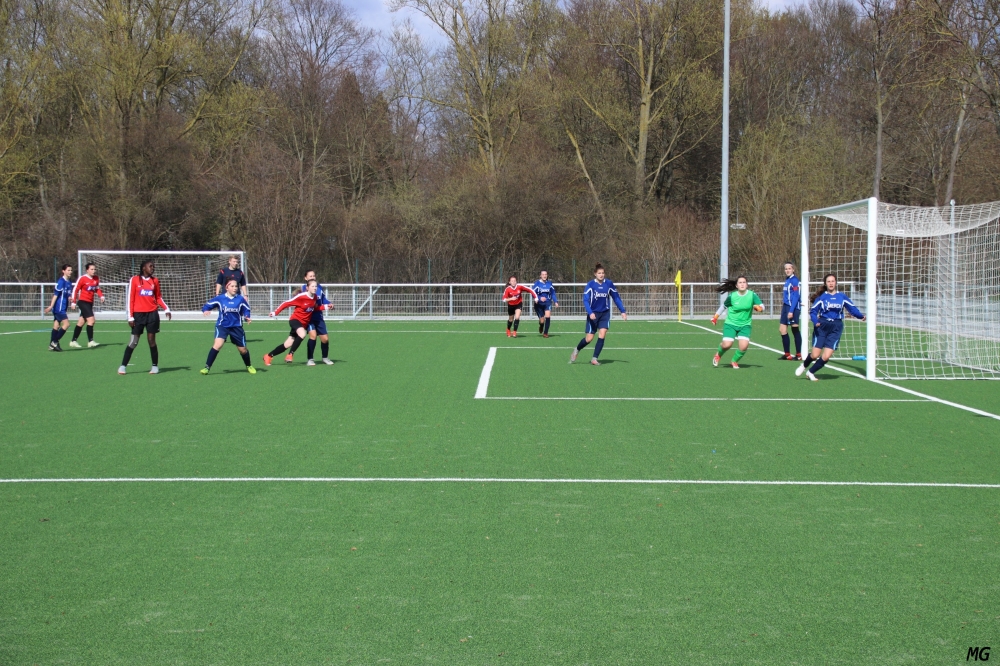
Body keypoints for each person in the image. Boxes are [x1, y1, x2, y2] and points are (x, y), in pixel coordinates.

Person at [796, 273, 866, 381]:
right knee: (815, 355)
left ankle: (811, 372)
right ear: (825, 283)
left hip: (836, 327)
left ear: (836, 282)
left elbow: (852, 308)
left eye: (833, 281)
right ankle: (804, 365)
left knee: (826, 356)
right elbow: (813, 311)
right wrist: (815, 321)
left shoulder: (842, 296)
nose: (831, 283)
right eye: (828, 281)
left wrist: (860, 316)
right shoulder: (821, 297)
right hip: (822, 326)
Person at [119, 260, 172, 375]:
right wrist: (130, 317)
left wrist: (166, 309)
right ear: (144, 268)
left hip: (152, 314)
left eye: (153, 266)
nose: (152, 268)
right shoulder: (134, 280)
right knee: (134, 341)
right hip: (138, 315)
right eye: (150, 266)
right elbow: (130, 299)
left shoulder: (155, 280)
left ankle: (155, 366)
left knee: (151, 340)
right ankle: (123, 366)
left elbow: (158, 297)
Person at [570, 263, 627, 366]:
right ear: (595, 274)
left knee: (602, 334)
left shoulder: (609, 284)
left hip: (605, 314)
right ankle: (577, 349)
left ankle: (594, 358)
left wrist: (622, 311)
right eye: (599, 273)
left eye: (603, 273)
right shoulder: (590, 285)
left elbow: (616, 297)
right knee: (589, 339)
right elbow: (586, 300)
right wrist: (590, 312)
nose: (601, 275)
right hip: (593, 314)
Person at [200, 278, 256, 374]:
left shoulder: (240, 299)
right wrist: (205, 310)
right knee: (217, 345)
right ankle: (207, 367)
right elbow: (208, 305)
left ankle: (249, 365)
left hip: (236, 327)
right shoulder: (220, 298)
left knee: (243, 350)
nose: (235, 288)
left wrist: (247, 317)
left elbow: (246, 309)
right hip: (222, 326)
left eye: (236, 286)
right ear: (227, 288)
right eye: (232, 286)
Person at [710, 276, 764, 369]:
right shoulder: (732, 296)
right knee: (727, 344)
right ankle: (718, 354)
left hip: (745, 325)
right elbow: (723, 306)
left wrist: (760, 308)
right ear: (736, 285)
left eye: (744, 282)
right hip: (731, 324)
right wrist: (715, 317)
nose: (742, 284)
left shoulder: (752, 295)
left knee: (744, 346)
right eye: (740, 282)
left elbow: (762, 306)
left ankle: (734, 361)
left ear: (747, 285)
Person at [263, 281, 321, 366]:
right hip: (295, 320)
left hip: (303, 324)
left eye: (316, 286)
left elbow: (315, 308)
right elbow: (286, 303)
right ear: (307, 288)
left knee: (288, 344)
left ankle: (268, 356)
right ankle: (290, 354)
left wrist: (326, 307)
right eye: (312, 286)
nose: (315, 288)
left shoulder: (315, 297)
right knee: (302, 333)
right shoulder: (301, 297)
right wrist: (275, 312)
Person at [286, 270, 334, 366]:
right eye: (310, 276)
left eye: (313, 275)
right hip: (309, 318)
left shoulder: (319, 287)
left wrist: (329, 304)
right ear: (306, 278)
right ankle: (310, 359)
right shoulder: (304, 288)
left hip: (319, 317)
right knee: (313, 336)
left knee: (325, 339)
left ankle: (325, 358)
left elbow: (323, 299)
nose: (312, 277)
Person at [69, 263, 105, 348]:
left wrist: (101, 296)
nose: (93, 271)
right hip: (83, 302)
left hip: (90, 303)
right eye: (91, 269)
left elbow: (97, 289)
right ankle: (90, 341)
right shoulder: (83, 278)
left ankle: (73, 341)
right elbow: (75, 289)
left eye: (94, 269)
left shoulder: (96, 278)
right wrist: (73, 302)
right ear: (87, 270)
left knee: (81, 322)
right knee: (91, 320)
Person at [44, 264, 74, 351]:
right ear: (63, 271)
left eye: (71, 270)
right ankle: (54, 342)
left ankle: (51, 345)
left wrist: (70, 298)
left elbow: (67, 294)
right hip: (59, 308)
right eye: (68, 270)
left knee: (56, 326)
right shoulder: (61, 281)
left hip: (63, 307)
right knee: (66, 324)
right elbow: (56, 295)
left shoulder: (69, 282)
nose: (70, 272)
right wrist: (51, 306)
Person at [779, 262, 803, 360]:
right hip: (785, 307)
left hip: (792, 307)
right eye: (786, 269)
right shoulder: (787, 280)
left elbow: (796, 296)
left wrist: (791, 310)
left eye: (789, 268)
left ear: (793, 269)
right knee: (782, 329)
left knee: (794, 329)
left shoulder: (794, 280)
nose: (787, 270)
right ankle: (787, 354)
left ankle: (798, 354)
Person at [532, 270, 559, 337]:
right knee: (542, 321)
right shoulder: (537, 284)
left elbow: (553, 293)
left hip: (547, 302)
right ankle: (541, 326)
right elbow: (533, 293)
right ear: (540, 276)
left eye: (545, 274)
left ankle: (545, 333)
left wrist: (555, 301)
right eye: (543, 274)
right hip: (539, 304)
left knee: (548, 316)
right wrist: (539, 298)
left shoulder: (549, 283)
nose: (544, 276)